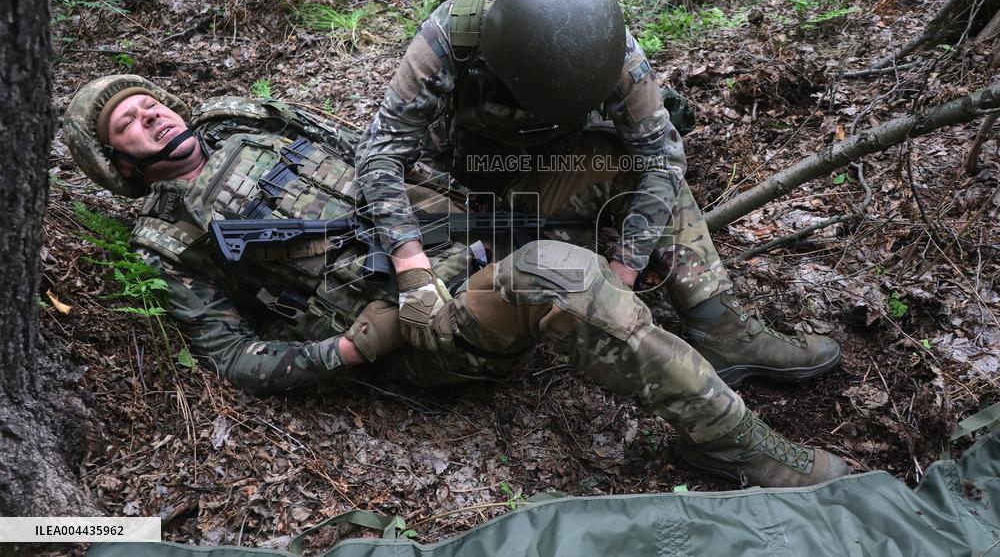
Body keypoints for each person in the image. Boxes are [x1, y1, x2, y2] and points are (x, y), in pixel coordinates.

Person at [64, 74, 850, 488]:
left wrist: (473, 180)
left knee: (623, 158)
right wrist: (349, 350)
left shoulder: (245, 118)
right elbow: (236, 358)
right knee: (556, 273)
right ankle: (733, 444)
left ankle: (720, 328)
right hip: (423, 323)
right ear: (117, 163)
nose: (150, 117)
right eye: (127, 123)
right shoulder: (167, 238)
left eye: (148, 103)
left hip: (465, 229)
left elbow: (375, 151)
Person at [356, 0, 841, 389]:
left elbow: (661, 158)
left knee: (636, 166)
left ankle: (722, 329)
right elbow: (380, 151)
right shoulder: (449, 35)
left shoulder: (612, 48)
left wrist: (622, 273)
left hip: (554, 175)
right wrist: (412, 267)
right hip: (459, 192)